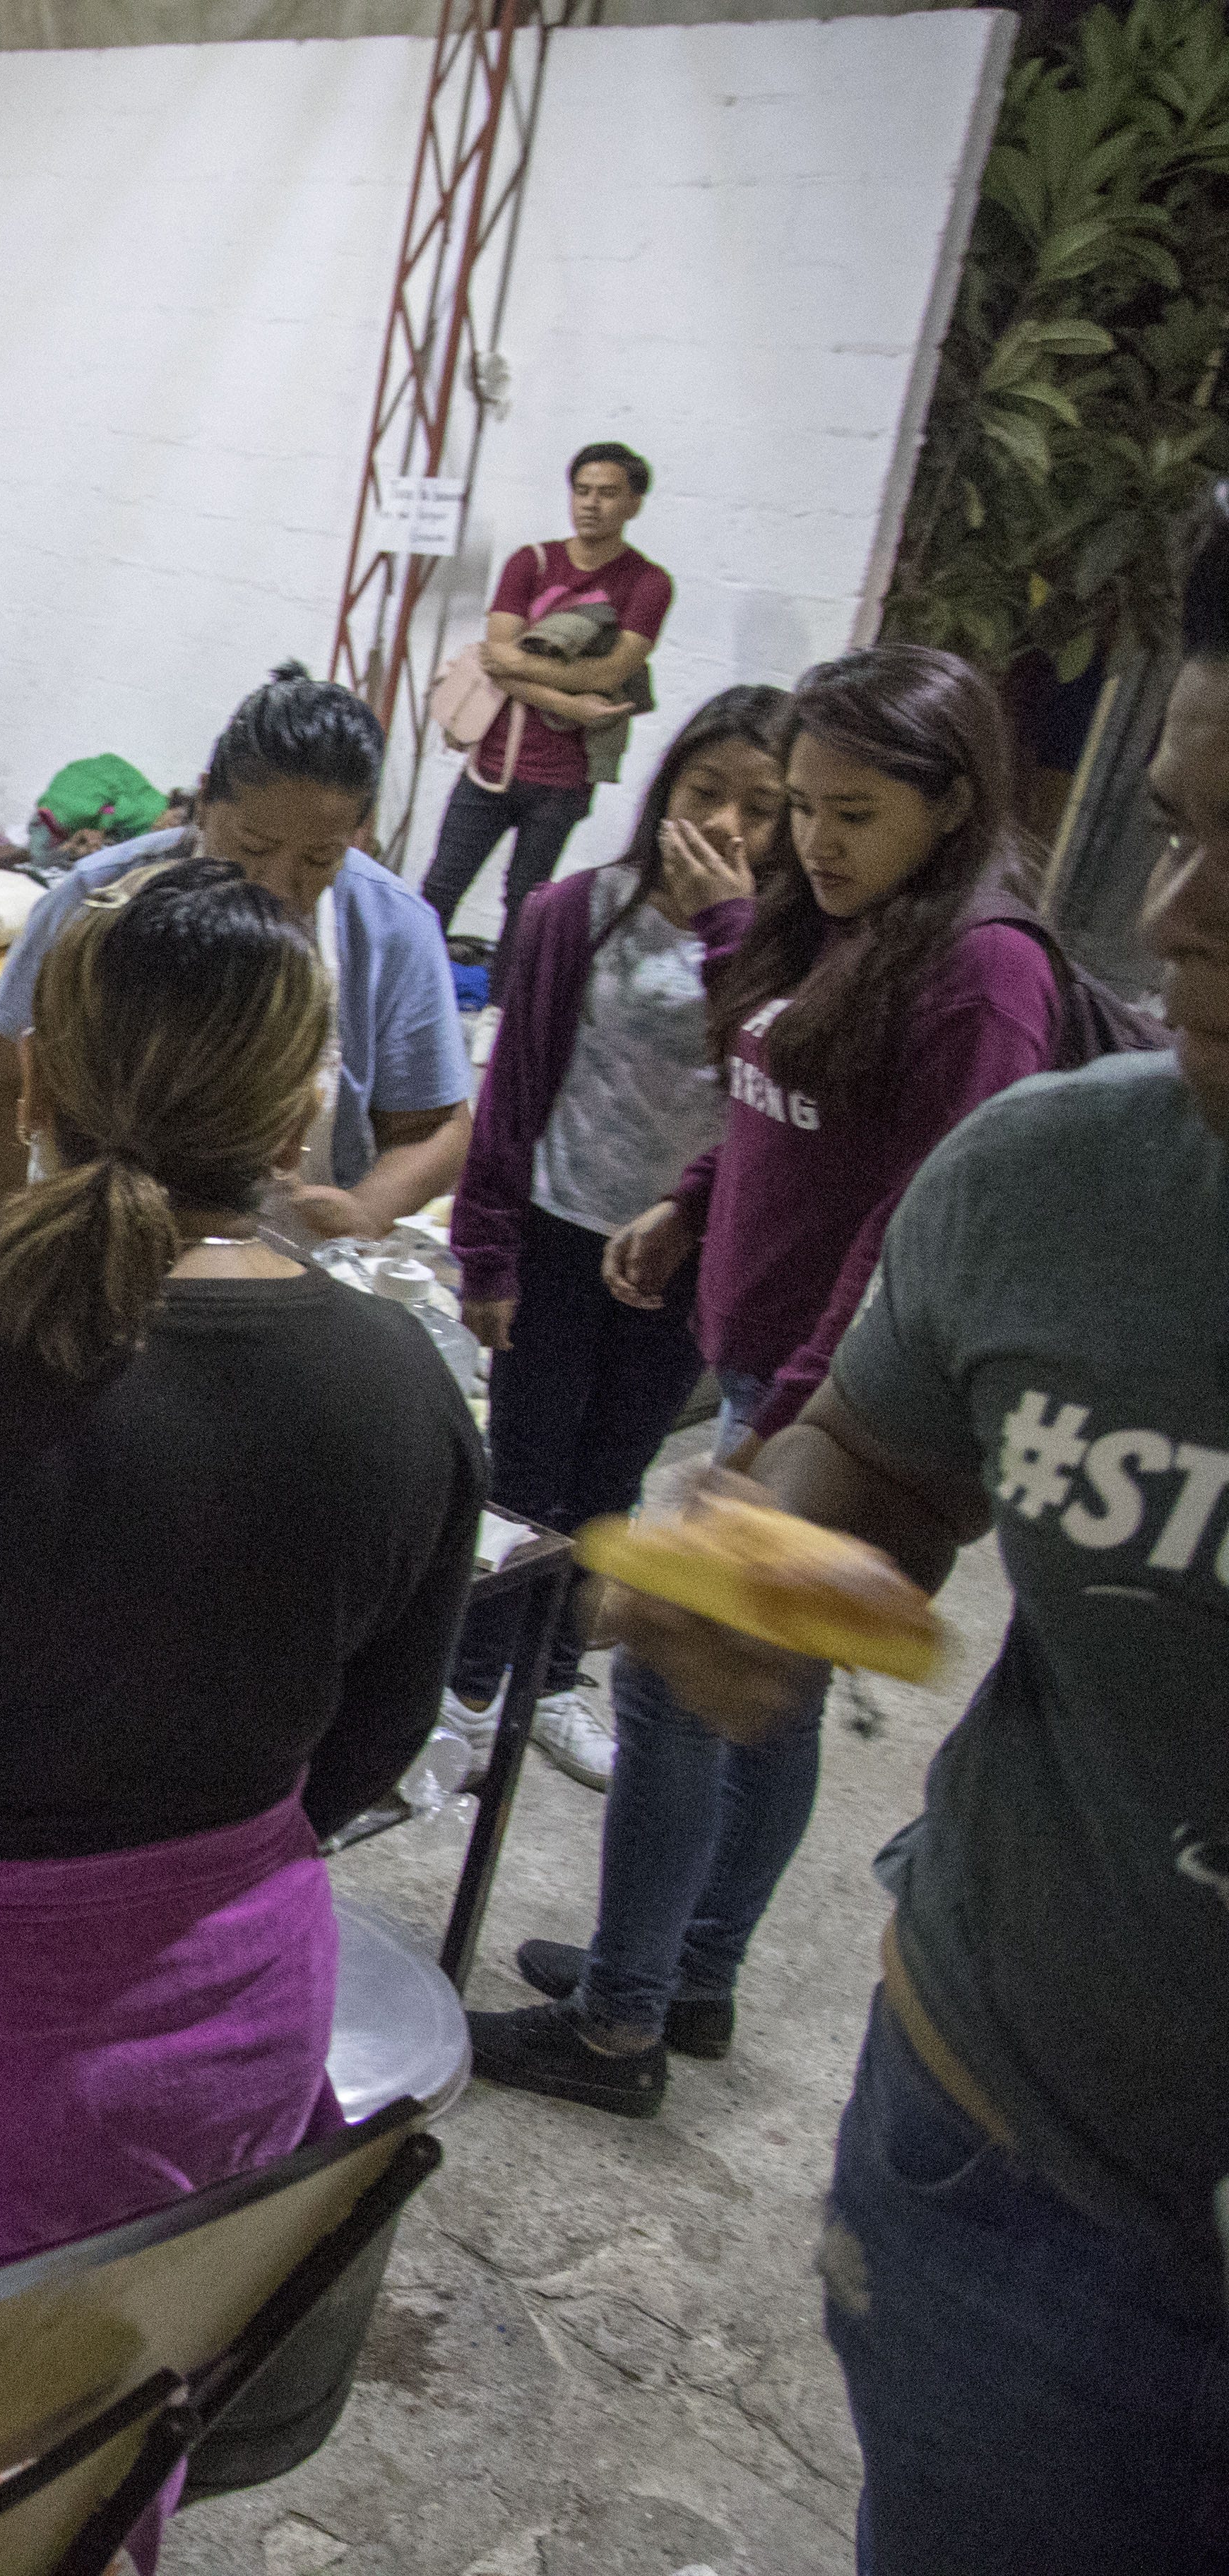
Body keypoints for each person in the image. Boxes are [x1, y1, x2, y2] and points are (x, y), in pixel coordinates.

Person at [588, 501, 1229, 2575]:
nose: (1184, 913)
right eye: (1182, 830)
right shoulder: (1060, 1183)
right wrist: (754, 1561)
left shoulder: (982, 982)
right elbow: (874, 1468)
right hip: (1014, 2158)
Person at [0, 859, 481, 2326]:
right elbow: (375, 1747)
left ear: (37, 1086)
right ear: (297, 1112)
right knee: (104, 2421)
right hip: (226, 2038)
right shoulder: (402, 1386)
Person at [470, 643, 1063, 2117]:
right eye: (803, 805)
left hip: (830, 1402)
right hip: (764, 1365)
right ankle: (690, 1973)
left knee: (679, 1682)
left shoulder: (983, 974)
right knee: (766, 1704)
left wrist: (785, 1430)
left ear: (952, 802)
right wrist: (690, 1203)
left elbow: (914, 1231)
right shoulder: (847, 923)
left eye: (851, 812)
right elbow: (792, 1092)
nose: (813, 840)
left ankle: (616, 2023)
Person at [441, 686, 785, 1788]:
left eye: (761, 808)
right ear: (664, 790)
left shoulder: (785, 957)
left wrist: (734, 928)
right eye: (706, 792)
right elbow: (512, 1096)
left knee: (611, 1482)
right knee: (523, 1470)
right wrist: (487, 1250)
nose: (726, 824)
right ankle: (469, 1680)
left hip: (685, 1263)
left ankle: (548, 1682)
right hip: (558, 1233)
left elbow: (768, 1088)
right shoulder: (575, 913)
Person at [0, 664, 471, 1244]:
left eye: (318, 860)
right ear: (204, 800)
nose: (276, 886)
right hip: (91, 1246)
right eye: (253, 846)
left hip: (288, 1259)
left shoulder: (392, 927)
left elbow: (437, 1127)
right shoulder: (96, 899)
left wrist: (370, 1210)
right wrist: (5, 1253)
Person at [422, 443, 674, 988]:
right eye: (582, 491)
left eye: (608, 494)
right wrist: (572, 705)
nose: (591, 504)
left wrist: (521, 665)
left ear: (634, 503)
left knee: (526, 901)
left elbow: (614, 670)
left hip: (563, 779)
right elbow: (496, 661)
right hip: (492, 766)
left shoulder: (647, 583)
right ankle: (401, 990)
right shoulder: (531, 563)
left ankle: (500, 1009)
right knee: (441, 885)